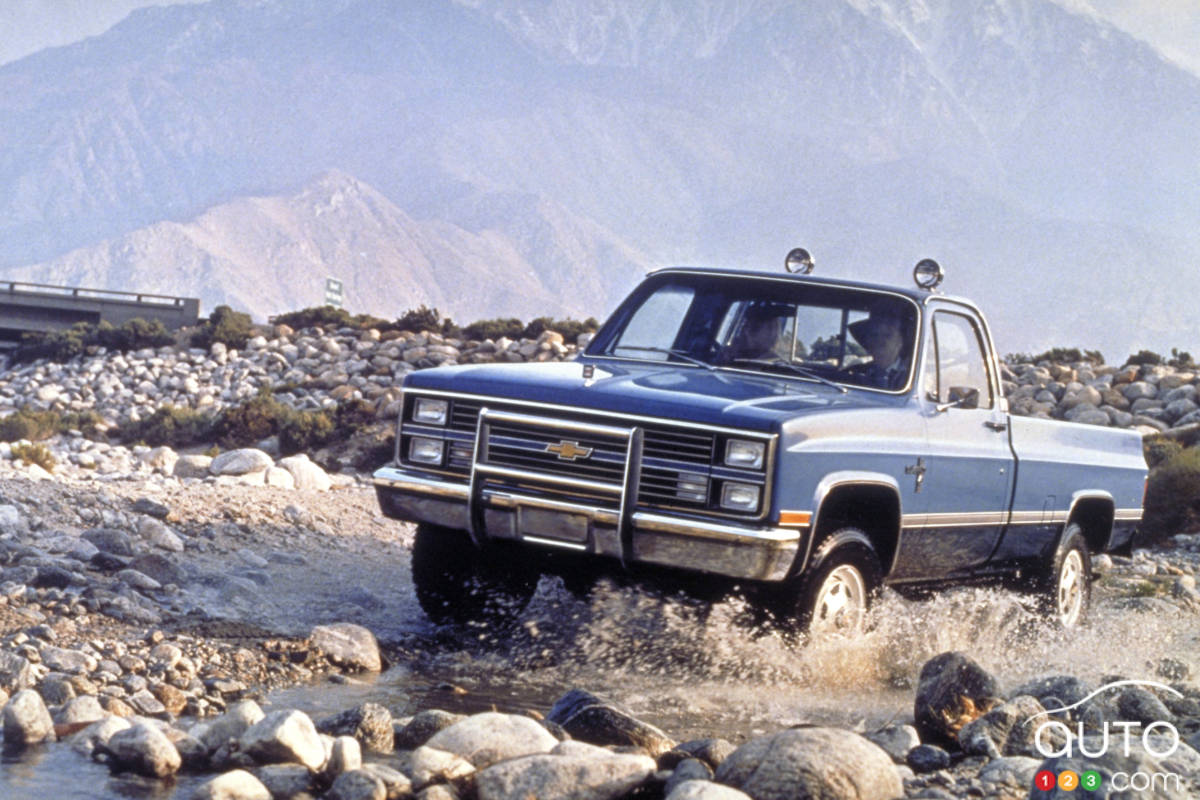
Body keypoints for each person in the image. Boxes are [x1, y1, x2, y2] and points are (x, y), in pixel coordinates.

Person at [847, 306, 910, 389]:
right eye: (874, 335)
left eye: (887, 335)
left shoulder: (909, 377)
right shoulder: (854, 372)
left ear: (900, 342)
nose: (880, 341)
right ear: (867, 342)